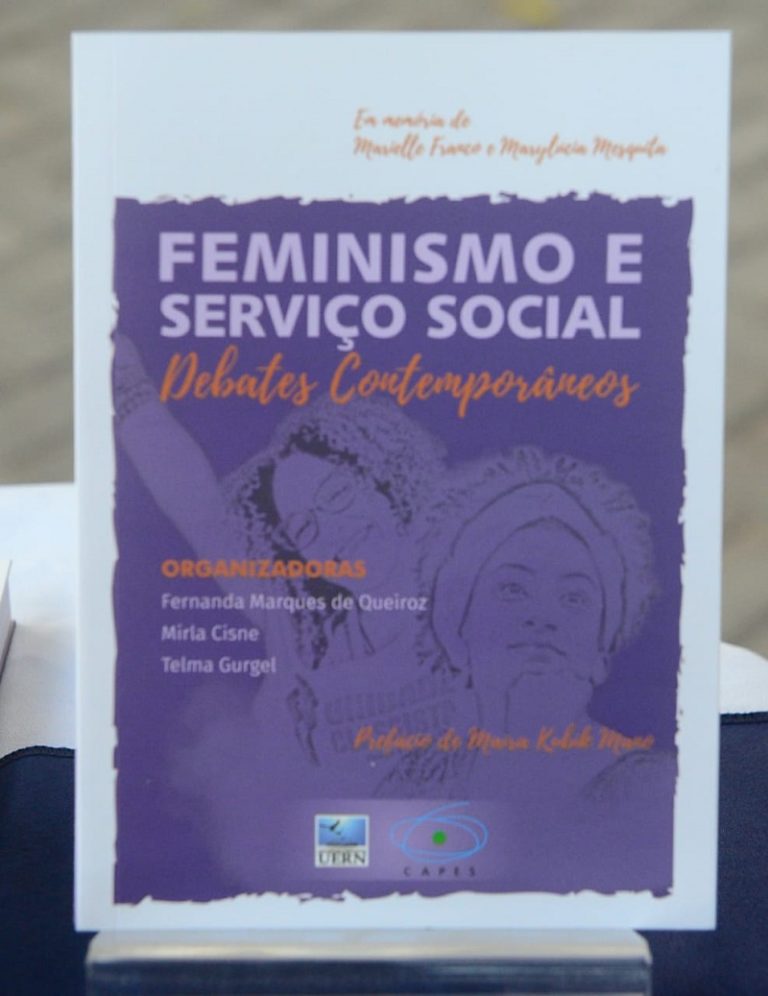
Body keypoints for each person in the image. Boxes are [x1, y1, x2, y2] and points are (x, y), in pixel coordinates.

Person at [418, 447, 675, 892]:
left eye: (574, 598)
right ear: (456, 628)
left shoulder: (650, 790)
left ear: (601, 650)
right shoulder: (413, 779)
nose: (543, 617)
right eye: (512, 589)